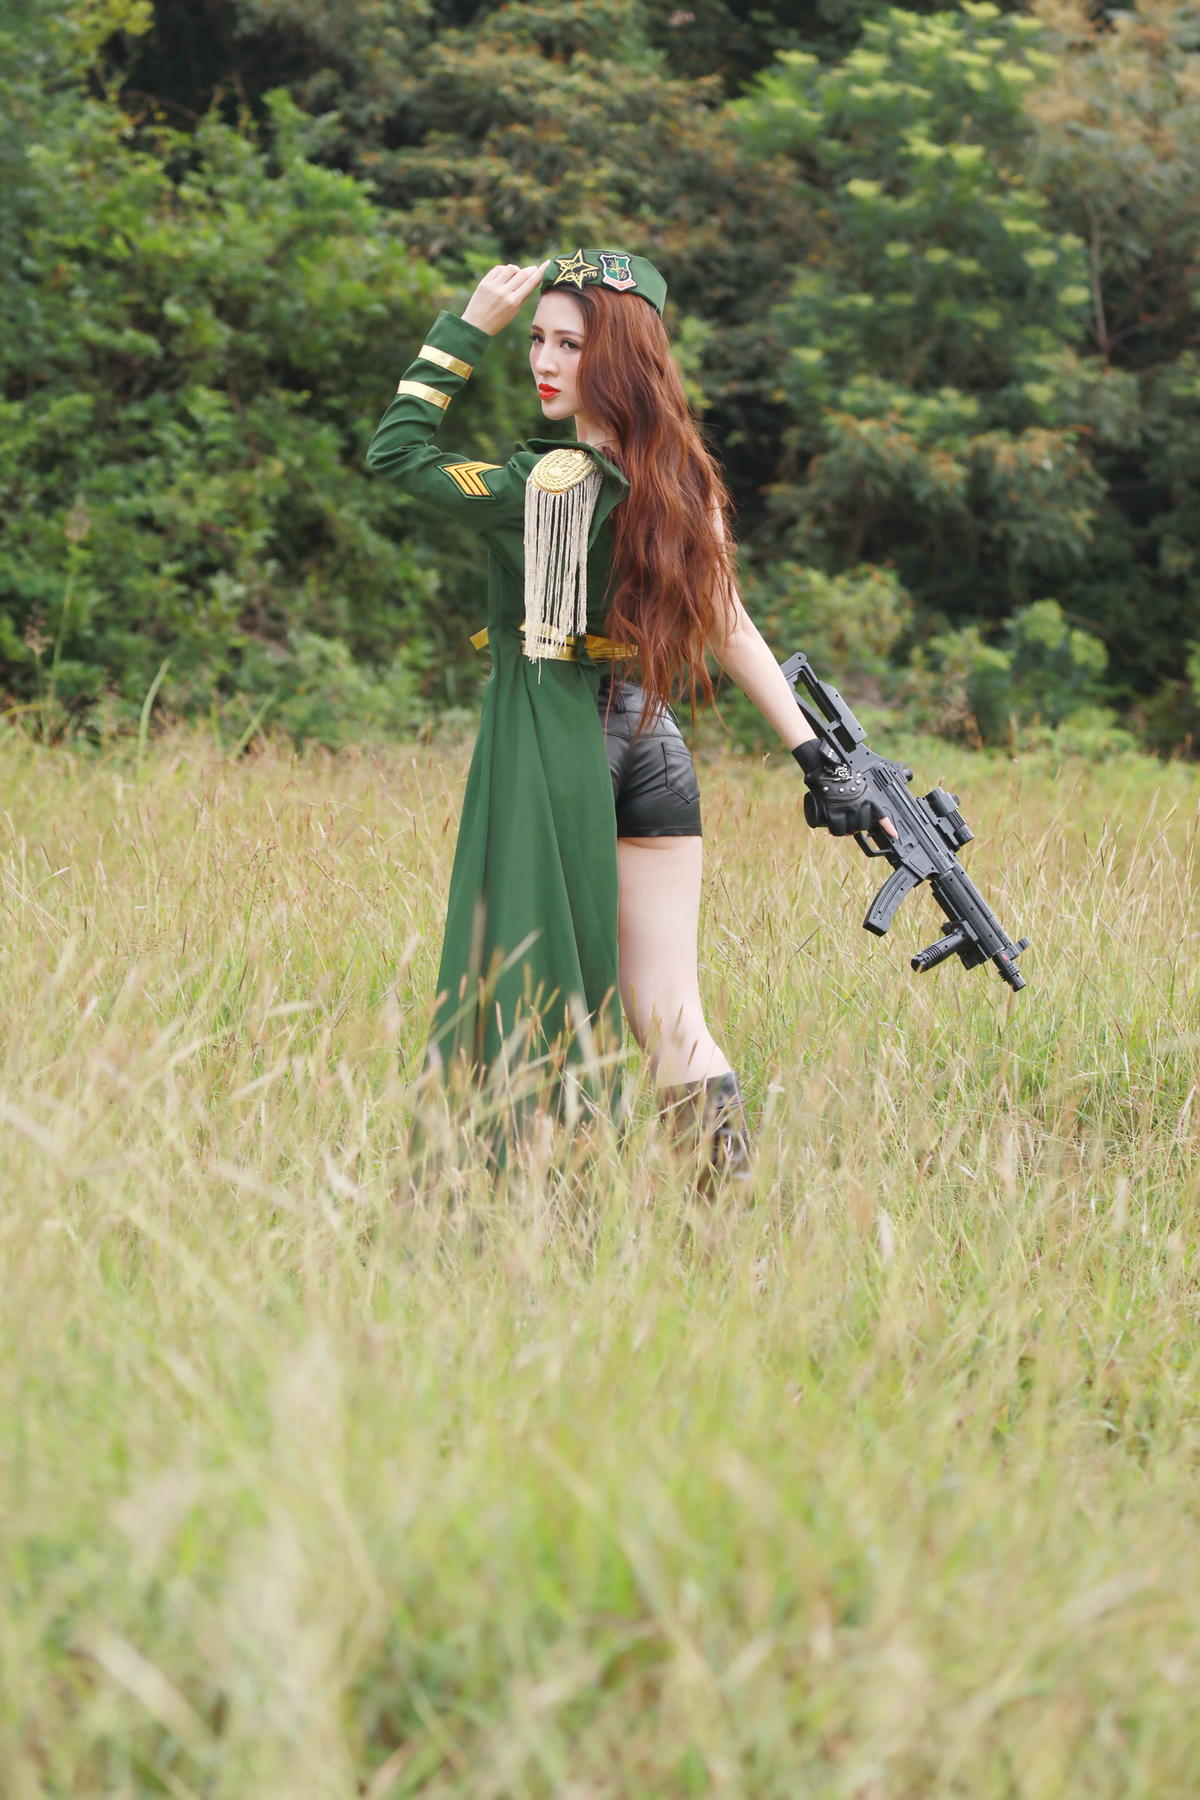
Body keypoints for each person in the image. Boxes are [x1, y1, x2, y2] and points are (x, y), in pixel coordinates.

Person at [367, 250, 889, 1172]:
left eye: (570, 344)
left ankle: (533, 1207)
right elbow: (731, 627)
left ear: (617, 358)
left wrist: (467, 331)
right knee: (670, 1013)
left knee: (528, 987)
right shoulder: (683, 479)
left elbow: (397, 452)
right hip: (655, 745)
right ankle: (724, 1213)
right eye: (536, 339)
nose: (544, 361)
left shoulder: (547, 485)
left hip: (561, 743)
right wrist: (819, 760)